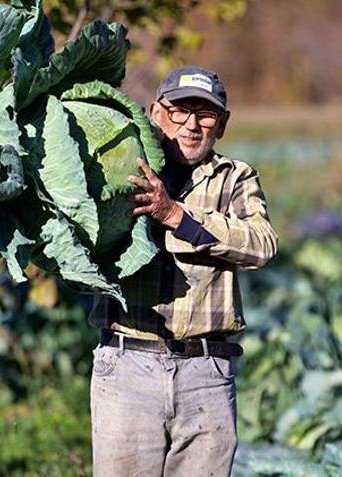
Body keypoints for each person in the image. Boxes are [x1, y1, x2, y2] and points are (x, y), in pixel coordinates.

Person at [87, 65, 278, 476]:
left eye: (205, 114)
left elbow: (262, 243)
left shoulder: (235, 179)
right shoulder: (117, 167)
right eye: (179, 111)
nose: (192, 124)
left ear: (221, 125)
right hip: (127, 365)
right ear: (156, 112)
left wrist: (176, 215)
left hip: (206, 370)